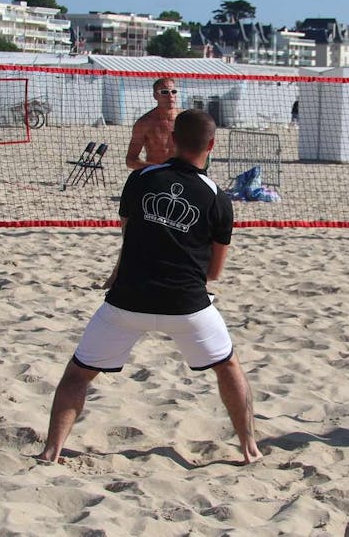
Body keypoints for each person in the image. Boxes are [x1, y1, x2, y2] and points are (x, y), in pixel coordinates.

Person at [39, 109, 262, 465]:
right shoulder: (218, 197)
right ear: (212, 144)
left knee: (78, 375)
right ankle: (249, 448)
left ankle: (51, 450)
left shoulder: (141, 179)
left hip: (127, 302)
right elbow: (215, 272)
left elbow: (129, 236)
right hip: (188, 306)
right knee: (229, 367)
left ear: (172, 140)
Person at [125, 77, 179, 170]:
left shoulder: (186, 120)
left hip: (182, 174)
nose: (170, 95)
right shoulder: (144, 123)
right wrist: (157, 168)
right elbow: (130, 160)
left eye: (173, 91)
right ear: (155, 96)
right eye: (165, 92)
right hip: (157, 175)